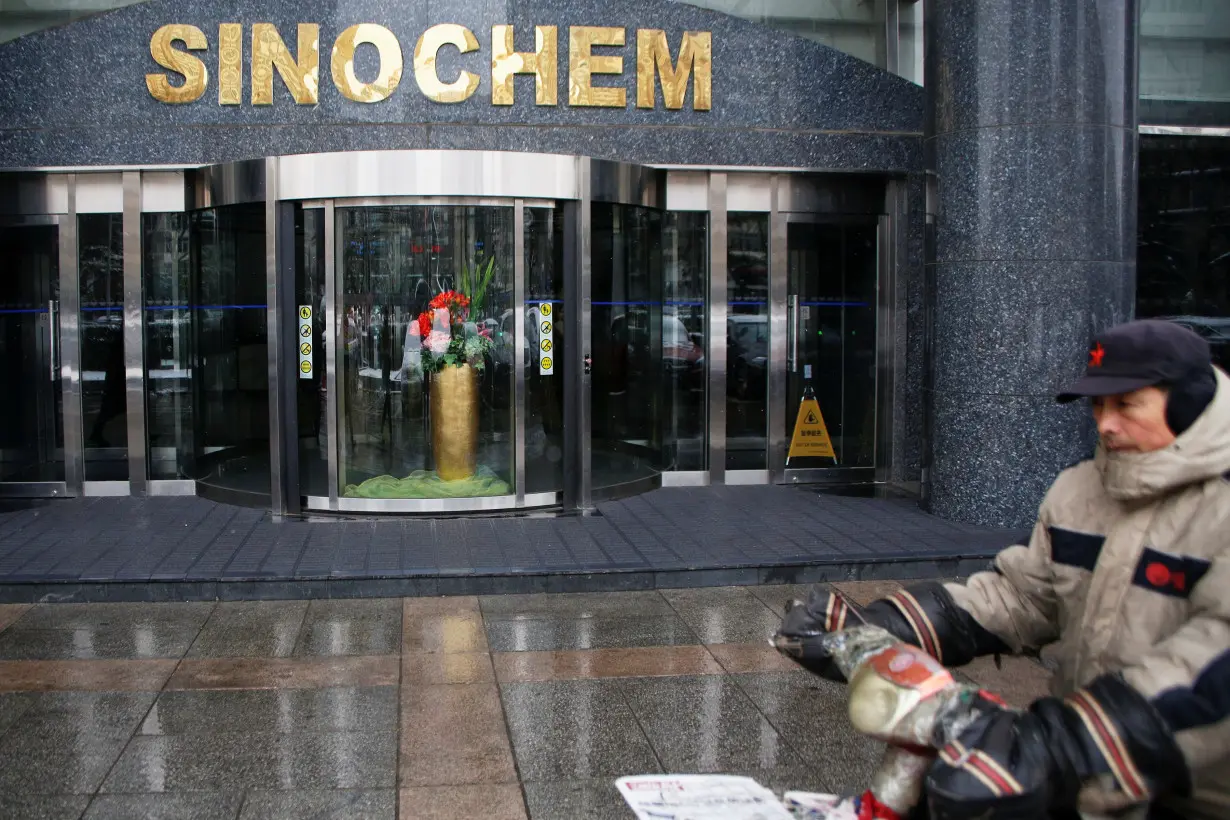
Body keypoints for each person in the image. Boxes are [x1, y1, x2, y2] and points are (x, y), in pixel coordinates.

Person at [775, 319, 1229, 820]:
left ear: (1187, 402)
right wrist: (887, 627)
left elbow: (1214, 664)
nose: (1105, 423)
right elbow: (1023, 596)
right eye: (1098, 405)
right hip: (1092, 788)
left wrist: (1058, 745)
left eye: (1125, 405)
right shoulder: (1081, 489)